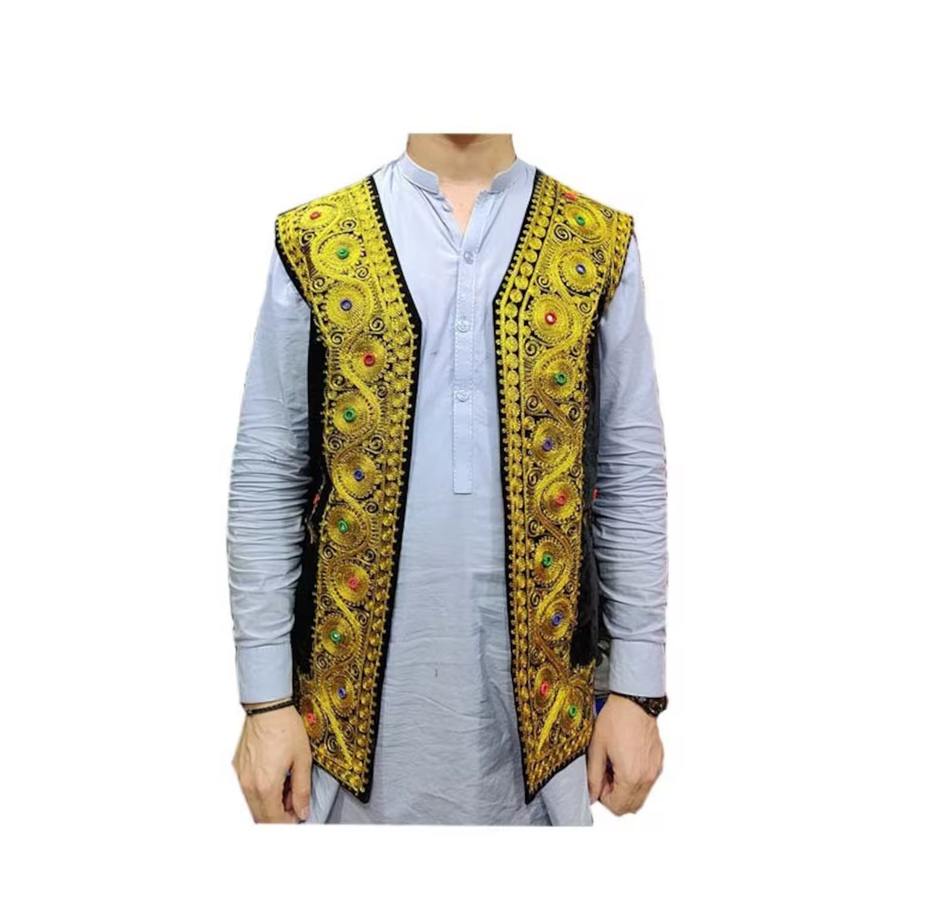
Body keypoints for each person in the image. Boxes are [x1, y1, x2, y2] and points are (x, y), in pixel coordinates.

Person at [227, 134, 668, 825]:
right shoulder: (316, 237)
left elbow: (629, 471)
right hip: (334, 745)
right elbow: (270, 470)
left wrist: (637, 690)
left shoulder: (595, 240)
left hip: (550, 746)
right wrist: (266, 700)